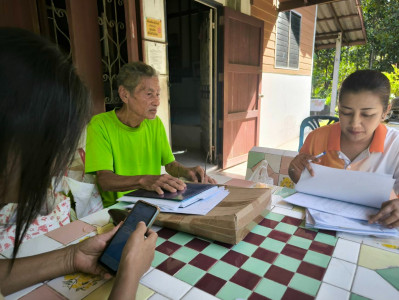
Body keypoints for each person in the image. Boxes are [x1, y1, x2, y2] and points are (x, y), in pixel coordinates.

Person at [0, 27, 157, 299]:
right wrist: (129, 275)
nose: (59, 167)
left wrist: (72, 256)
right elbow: (105, 179)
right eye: (57, 145)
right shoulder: (102, 125)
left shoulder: (154, 126)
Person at [85, 61, 216, 207]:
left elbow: (170, 164)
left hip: (154, 202)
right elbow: (105, 180)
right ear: (124, 94)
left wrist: (187, 172)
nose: (157, 102)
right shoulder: (100, 125)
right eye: (149, 94)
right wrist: (143, 180)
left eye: (157, 94)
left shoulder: (155, 123)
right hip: (119, 208)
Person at [289, 70, 399, 228]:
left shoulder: (395, 146)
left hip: (375, 231)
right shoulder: (316, 137)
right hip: (318, 228)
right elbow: (303, 184)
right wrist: (295, 173)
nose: (355, 123)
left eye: (367, 115)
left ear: (385, 111)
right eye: (346, 112)